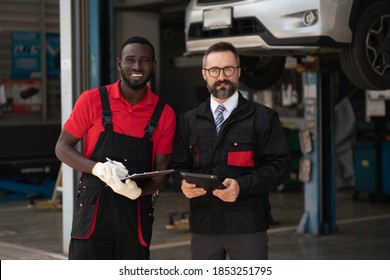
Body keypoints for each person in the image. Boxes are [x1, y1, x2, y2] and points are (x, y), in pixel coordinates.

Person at [55, 36, 176, 260]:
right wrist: (96, 168)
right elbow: (62, 147)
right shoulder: (91, 100)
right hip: (92, 211)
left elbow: (162, 171)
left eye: (144, 60)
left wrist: (139, 191)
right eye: (130, 60)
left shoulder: (164, 114)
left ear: (154, 66)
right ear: (119, 63)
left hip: (135, 214)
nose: (137, 67)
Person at [171, 42, 291, 260]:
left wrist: (241, 187)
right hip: (203, 226)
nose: (222, 76)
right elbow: (177, 167)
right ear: (204, 74)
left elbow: (279, 167)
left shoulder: (263, 118)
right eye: (214, 70)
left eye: (228, 69)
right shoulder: (188, 121)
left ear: (238, 72)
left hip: (247, 225)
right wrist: (182, 184)